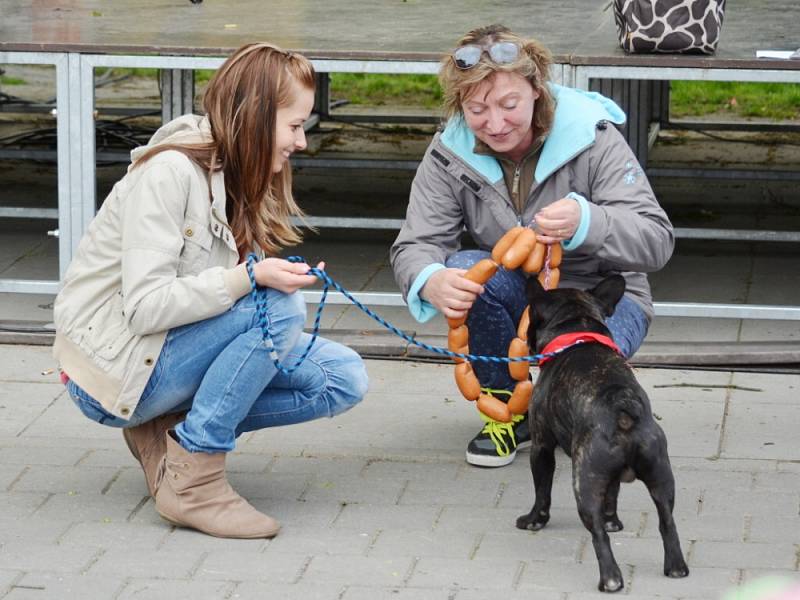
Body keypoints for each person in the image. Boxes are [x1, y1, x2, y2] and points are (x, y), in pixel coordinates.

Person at [52, 43, 369, 539]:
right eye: (294, 125)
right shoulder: (169, 174)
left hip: (164, 351)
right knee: (279, 309)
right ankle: (194, 477)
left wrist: (264, 273)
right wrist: (252, 279)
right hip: (115, 371)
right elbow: (144, 307)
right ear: (257, 117)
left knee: (341, 378)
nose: (302, 142)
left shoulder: (236, 173)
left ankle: (171, 433)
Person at [391, 25, 674, 468]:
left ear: (537, 91)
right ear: (459, 105)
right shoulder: (448, 152)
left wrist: (588, 222)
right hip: (520, 291)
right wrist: (430, 280)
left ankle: (593, 417)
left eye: (509, 105)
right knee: (466, 269)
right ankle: (509, 412)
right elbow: (417, 243)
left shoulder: (592, 138)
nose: (495, 124)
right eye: (477, 109)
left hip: (600, 299)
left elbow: (656, 240)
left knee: (586, 390)